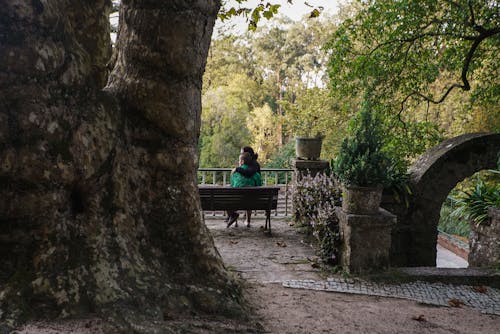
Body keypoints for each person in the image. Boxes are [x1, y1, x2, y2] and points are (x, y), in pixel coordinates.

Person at [226, 151, 262, 228]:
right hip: (253, 202)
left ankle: (234, 219)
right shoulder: (256, 175)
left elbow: (232, 186)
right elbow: (259, 187)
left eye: (239, 160)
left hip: (237, 202)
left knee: (230, 198)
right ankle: (248, 221)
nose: (238, 162)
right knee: (249, 197)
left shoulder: (234, 173)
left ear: (242, 161)